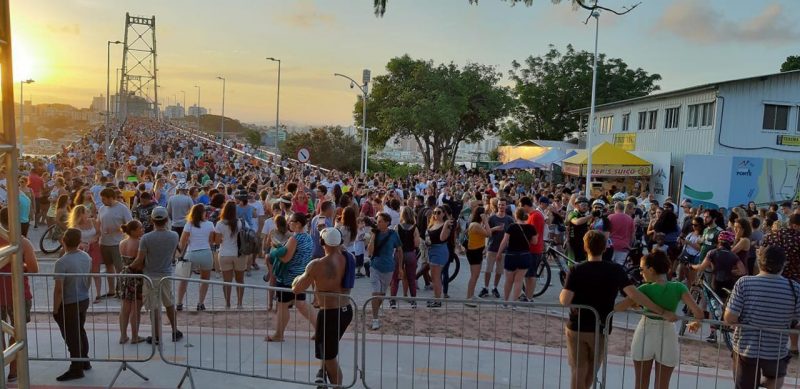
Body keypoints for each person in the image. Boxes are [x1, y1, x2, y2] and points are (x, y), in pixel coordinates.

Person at [560, 230, 677, 389]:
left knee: (577, 369)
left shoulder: (576, 269)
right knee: (591, 371)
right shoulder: (615, 270)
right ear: (605, 248)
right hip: (600, 326)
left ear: (585, 247)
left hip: (576, 325)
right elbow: (635, 294)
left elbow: (564, 300)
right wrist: (661, 311)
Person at [614, 251, 704, 389]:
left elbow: (619, 307)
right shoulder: (678, 287)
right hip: (667, 333)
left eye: (641, 269)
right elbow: (698, 312)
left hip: (645, 332)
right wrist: (696, 323)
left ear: (651, 269)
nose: (640, 273)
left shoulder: (644, 289)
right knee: (663, 385)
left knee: (640, 384)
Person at [725, 246, 800, 389]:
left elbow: (729, 318)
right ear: (784, 264)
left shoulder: (744, 283)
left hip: (746, 348)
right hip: (776, 350)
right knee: (774, 381)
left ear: (759, 262)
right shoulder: (794, 288)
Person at [292, 227, 355, 387]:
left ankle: (336, 385)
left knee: (329, 357)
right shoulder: (349, 258)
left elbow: (297, 289)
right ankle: (322, 374)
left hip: (330, 314)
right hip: (346, 311)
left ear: (321, 242)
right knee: (329, 352)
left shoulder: (316, 265)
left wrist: (301, 276)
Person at [129, 206, 183, 345]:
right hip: (166, 274)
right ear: (166, 220)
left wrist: (129, 267)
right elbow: (174, 254)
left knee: (154, 307)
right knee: (169, 304)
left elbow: (139, 259)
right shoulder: (174, 235)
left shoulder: (146, 238)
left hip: (150, 275)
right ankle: (174, 330)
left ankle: (156, 335)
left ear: (152, 220)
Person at [0, 207, 38, 382]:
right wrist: (18, 266)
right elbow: (33, 269)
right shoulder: (23, 242)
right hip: (18, 293)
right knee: (18, 332)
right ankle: (13, 370)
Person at [268, 212, 316, 341]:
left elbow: (286, 258)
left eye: (291, 221)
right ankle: (320, 329)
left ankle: (279, 334)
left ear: (298, 224)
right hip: (301, 276)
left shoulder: (294, 239)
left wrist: (275, 251)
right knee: (301, 304)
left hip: (288, 278)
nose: (289, 223)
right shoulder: (308, 238)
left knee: (282, 305)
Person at [691, 230, 746, 343]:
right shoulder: (733, 256)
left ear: (718, 241)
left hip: (716, 282)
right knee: (727, 306)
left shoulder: (712, 253)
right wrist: (731, 272)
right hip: (729, 283)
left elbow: (702, 267)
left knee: (713, 306)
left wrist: (692, 266)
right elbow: (742, 271)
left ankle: (713, 334)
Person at [52, 228, 91, 381]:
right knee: (80, 330)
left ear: (64, 241)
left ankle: (76, 367)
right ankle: (84, 360)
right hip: (83, 298)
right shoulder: (86, 257)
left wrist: (55, 309)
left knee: (71, 335)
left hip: (69, 302)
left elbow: (59, 290)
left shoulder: (61, 262)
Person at [760, 214, 800, 353]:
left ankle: (767, 341)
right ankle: (794, 345)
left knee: (769, 310)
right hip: (794, 281)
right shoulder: (798, 238)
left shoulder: (772, 235)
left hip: (770, 278)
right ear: (796, 225)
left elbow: (762, 252)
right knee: (793, 314)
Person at [176, 204, 214, 311]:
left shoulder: (189, 224)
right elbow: (211, 241)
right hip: (206, 253)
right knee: (205, 280)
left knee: (184, 280)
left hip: (191, 253)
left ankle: (179, 303)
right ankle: (200, 303)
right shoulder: (210, 224)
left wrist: (179, 254)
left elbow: (182, 242)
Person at [368, 212, 403, 328]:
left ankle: (375, 311)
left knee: (381, 295)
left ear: (387, 223)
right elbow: (370, 252)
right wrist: (373, 236)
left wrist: (400, 268)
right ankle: (375, 319)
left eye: (380, 221)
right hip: (375, 266)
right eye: (377, 221)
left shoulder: (393, 234)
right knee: (375, 293)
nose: (378, 223)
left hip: (388, 268)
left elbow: (399, 250)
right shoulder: (375, 234)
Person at [496, 208, 536, 307]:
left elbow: (504, 241)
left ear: (516, 216)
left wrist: (499, 253)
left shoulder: (512, 226)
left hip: (511, 255)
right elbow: (534, 242)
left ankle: (505, 302)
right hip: (524, 255)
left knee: (509, 280)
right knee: (519, 280)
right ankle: (514, 304)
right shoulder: (531, 228)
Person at [97, 187, 133, 298]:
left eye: (104, 199)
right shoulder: (102, 208)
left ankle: (121, 290)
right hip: (104, 242)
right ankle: (111, 290)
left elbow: (130, 224)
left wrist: (117, 229)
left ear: (111, 198)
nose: (102, 201)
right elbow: (98, 222)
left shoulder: (122, 208)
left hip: (118, 242)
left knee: (119, 268)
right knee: (109, 267)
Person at [215, 201, 248, 309]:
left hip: (224, 253)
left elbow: (217, 241)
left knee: (226, 282)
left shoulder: (219, 224)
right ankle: (240, 303)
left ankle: (227, 303)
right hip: (239, 254)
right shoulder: (240, 222)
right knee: (240, 280)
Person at [118, 220, 145, 344]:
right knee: (136, 308)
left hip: (124, 276)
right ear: (133, 231)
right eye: (140, 228)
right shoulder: (140, 244)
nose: (142, 229)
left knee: (125, 307)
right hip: (136, 277)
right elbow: (140, 262)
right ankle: (135, 336)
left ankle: (123, 335)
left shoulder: (122, 243)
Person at [480, 197, 513, 298]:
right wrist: (494, 229)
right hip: (492, 247)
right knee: (488, 270)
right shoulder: (492, 218)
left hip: (503, 250)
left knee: (499, 271)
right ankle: (486, 288)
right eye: (499, 204)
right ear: (497, 205)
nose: (501, 206)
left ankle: (495, 287)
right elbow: (485, 232)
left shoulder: (509, 219)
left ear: (506, 206)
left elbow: (512, 234)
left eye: (503, 204)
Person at [389, 206, 420, 308]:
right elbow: (416, 244)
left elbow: (394, 242)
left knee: (395, 278)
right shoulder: (415, 228)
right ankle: (414, 301)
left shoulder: (398, 227)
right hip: (410, 253)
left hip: (399, 253)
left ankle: (393, 301)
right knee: (411, 278)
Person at [424, 207, 452, 307]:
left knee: (436, 277)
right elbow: (428, 235)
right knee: (435, 276)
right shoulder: (433, 223)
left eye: (438, 212)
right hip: (432, 250)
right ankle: (436, 298)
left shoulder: (446, 225)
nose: (436, 214)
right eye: (434, 212)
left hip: (440, 250)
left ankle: (437, 300)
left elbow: (442, 238)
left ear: (444, 214)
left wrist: (445, 225)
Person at [464, 206, 490, 306]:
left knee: (475, 275)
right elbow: (488, 234)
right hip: (474, 252)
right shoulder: (476, 225)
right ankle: (468, 298)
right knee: (474, 276)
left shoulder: (475, 224)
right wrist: (486, 221)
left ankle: (471, 295)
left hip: (476, 251)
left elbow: (484, 232)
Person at [608, 201, 635, 266]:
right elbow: (632, 235)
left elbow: (606, 232)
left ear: (615, 208)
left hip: (611, 245)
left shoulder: (610, 217)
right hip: (624, 246)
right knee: (620, 268)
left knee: (609, 266)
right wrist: (630, 245)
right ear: (623, 208)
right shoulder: (630, 219)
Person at [566, 197, 591, 263]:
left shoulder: (585, 215)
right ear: (576, 205)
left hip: (583, 243)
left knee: (582, 263)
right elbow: (577, 222)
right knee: (571, 265)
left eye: (586, 205)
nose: (585, 207)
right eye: (582, 205)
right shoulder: (573, 213)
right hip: (573, 243)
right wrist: (591, 216)